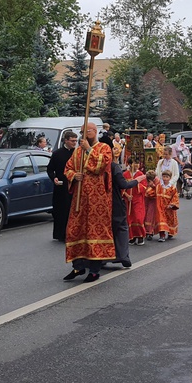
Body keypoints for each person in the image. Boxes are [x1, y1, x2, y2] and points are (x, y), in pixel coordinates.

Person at [62, 122, 114, 284]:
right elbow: (67, 168)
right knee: (74, 230)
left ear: (95, 132)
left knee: (95, 233)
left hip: (97, 200)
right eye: (82, 132)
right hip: (79, 199)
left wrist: (89, 150)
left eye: (87, 132)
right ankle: (78, 266)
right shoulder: (77, 151)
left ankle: (94, 270)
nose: (84, 135)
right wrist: (73, 175)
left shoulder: (103, 147)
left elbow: (101, 166)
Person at [47, 131, 78, 241]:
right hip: (60, 186)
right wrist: (53, 177)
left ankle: (72, 234)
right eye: (72, 141)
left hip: (74, 185)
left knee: (72, 210)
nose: (75, 143)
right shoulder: (57, 153)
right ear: (66, 140)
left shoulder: (77, 153)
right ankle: (60, 234)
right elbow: (50, 169)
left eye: (76, 141)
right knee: (60, 210)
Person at [109, 151, 138, 268]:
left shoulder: (89, 164)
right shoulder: (113, 167)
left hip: (97, 204)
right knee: (121, 228)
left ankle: (100, 259)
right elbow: (123, 184)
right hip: (115, 202)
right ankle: (123, 256)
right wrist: (137, 180)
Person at [125, 160, 147, 246]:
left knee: (138, 218)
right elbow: (122, 187)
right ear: (130, 164)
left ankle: (140, 236)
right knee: (130, 219)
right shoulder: (125, 174)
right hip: (129, 200)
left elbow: (144, 186)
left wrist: (135, 183)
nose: (137, 165)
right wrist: (127, 195)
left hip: (138, 199)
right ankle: (132, 237)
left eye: (138, 163)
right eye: (135, 163)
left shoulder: (141, 174)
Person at [156, 169, 180, 240]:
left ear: (170, 178)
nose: (165, 179)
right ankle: (162, 235)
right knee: (161, 220)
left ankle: (170, 232)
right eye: (164, 177)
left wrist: (172, 204)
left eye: (167, 177)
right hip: (160, 207)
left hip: (169, 207)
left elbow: (175, 197)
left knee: (170, 220)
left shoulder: (172, 188)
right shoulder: (159, 186)